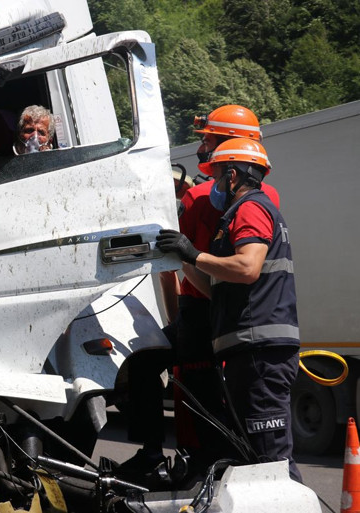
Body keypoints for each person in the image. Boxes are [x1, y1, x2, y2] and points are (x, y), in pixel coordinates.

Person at [120, 106, 280, 482]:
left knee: (156, 371)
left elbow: (174, 264)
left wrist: (176, 320)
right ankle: (220, 463)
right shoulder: (267, 195)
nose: (201, 148)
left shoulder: (195, 200)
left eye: (207, 139)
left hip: (199, 312)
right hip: (245, 314)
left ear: (227, 146)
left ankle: (156, 456)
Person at [156, 138, 302, 482]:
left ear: (232, 176)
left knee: (270, 462)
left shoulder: (250, 209)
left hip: (259, 353)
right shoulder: (239, 214)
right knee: (254, 458)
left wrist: (194, 255)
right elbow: (218, 290)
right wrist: (184, 257)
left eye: (217, 176)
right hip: (249, 352)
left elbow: (248, 267)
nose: (213, 185)